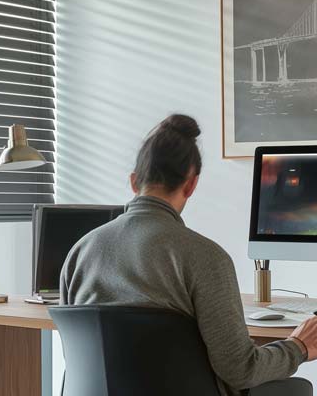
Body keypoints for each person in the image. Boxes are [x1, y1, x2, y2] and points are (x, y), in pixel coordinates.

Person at [60, 114, 317, 396]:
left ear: (134, 182)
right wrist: (298, 346)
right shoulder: (205, 257)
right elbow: (240, 370)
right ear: (191, 185)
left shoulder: (79, 253)